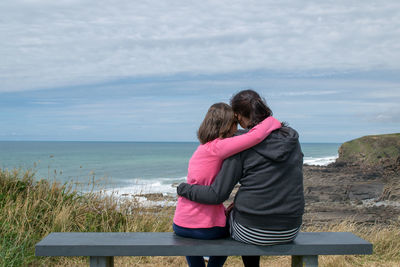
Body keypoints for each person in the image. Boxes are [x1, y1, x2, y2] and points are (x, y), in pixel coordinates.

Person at [177, 90, 304, 267]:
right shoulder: (291, 138)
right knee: (237, 212)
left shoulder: (239, 146)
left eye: (236, 121)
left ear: (238, 116)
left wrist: (183, 188)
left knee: (226, 221)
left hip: (251, 232)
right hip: (291, 229)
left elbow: (217, 193)